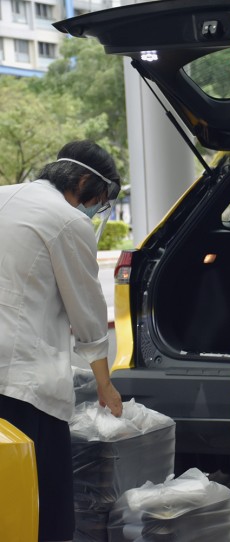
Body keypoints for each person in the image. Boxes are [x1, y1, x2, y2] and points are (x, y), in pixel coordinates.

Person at [0, 140, 125, 542]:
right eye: (100, 200)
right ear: (84, 180)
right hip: (23, 385)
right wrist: (104, 383)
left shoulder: (4, 196)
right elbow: (88, 313)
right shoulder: (67, 221)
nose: (95, 209)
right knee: (44, 511)